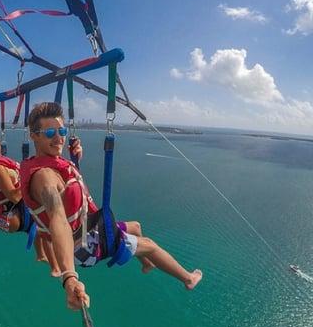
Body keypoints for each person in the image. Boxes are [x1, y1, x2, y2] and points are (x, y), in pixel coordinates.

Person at [20, 102, 202, 310]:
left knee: (135, 226)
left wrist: (75, 157)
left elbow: (68, 183)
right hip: (84, 247)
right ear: (34, 135)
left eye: (61, 130)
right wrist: (69, 276)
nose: (59, 137)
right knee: (150, 245)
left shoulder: (45, 162)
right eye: (50, 132)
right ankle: (188, 279)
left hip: (87, 227)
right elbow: (58, 220)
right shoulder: (44, 178)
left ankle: (146, 263)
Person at [0, 126, 61, 276]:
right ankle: (56, 267)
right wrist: (28, 179)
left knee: (37, 222)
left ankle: (41, 255)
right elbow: (14, 196)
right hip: (10, 218)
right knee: (44, 221)